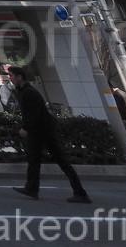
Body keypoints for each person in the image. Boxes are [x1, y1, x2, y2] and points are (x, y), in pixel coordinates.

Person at [8, 66, 90, 203]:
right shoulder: (23, 91)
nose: (10, 78)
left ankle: (80, 193)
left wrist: (25, 128)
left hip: (44, 131)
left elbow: (34, 113)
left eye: (11, 75)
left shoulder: (29, 92)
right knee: (34, 160)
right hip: (38, 131)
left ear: (19, 77)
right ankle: (31, 188)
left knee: (61, 161)